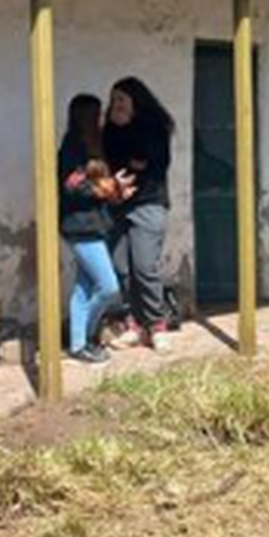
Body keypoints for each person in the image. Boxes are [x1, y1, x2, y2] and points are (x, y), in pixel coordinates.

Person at [59, 95, 136, 365]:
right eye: (96, 114)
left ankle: (79, 345)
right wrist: (107, 187)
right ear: (84, 117)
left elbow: (96, 186)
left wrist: (116, 189)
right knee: (108, 286)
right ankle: (87, 335)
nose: (101, 118)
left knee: (84, 288)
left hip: (93, 225)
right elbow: (72, 186)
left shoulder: (92, 145)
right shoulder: (73, 148)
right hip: (80, 227)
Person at [104, 78, 176, 351]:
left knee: (145, 267)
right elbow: (113, 162)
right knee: (120, 267)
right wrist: (130, 164)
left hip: (148, 204)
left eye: (122, 99)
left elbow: (154, 162)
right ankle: (133, 323)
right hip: (118, 205)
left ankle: (156, 325)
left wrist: (133, 158)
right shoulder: (110, 129)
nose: (117, 105)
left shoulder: (155, 127)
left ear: (136, 102)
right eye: (114, 100)